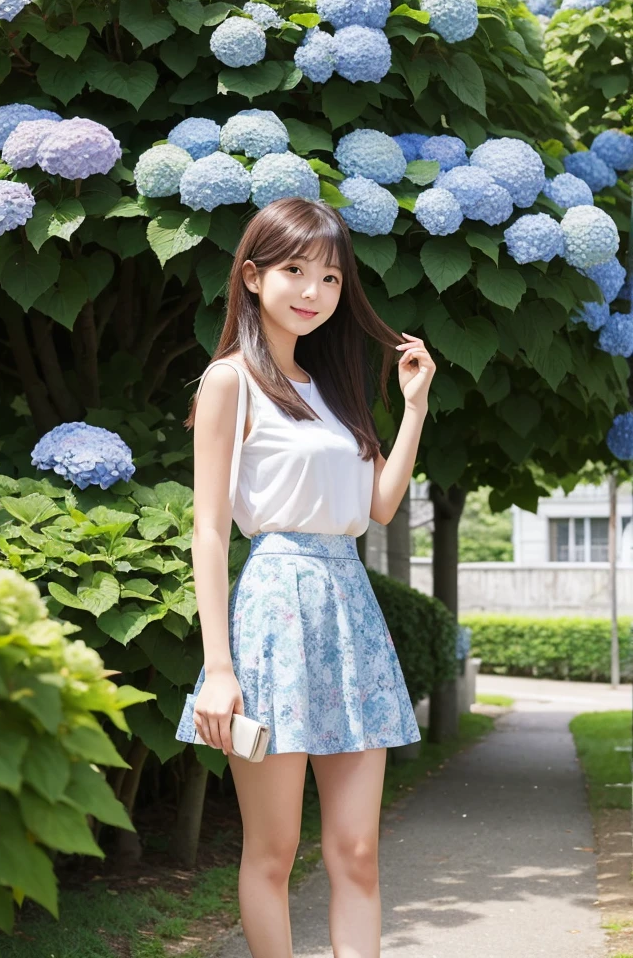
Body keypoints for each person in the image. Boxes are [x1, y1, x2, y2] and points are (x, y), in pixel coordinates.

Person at [175, 196, 436, 958]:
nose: (313, 291)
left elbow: (381, 506)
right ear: (252, 277)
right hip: (273, 615)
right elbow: (209, 528)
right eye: (294, 271)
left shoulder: (334, 390)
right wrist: (218, 668)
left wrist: (413, 409)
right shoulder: (229, 381)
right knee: (273, 850)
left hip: (349, 612)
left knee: (356, 851)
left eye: (328, 276)